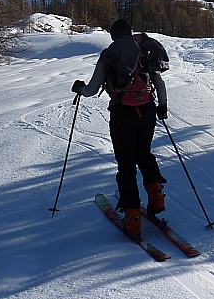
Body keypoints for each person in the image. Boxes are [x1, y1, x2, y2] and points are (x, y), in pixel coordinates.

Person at [72, 19, 168, 239]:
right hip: (147, 110)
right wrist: (162, 106)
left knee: (126, 164)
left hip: (122, 113)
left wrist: (80, 89)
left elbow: (92, 88)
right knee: (143, 153)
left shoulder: (109, 55)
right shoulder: (144, 51)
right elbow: (159, 82)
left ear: (113, 36)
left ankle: (133, 217)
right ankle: (156, 194)